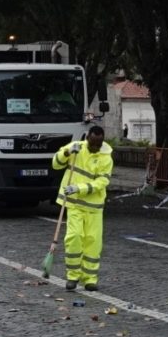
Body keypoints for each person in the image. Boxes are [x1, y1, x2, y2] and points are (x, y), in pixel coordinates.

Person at [53, 125, 115, 292]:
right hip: (74, 204)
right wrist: (66, 153)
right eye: (93, 143)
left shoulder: (106, 158)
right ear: (87, 138)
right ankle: (72, 277)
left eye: (98, 144)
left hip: (94, 207)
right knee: (74, 237)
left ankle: (90, 279)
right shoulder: (75, 148)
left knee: (93, 242)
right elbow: (55, 164)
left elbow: (102, 182)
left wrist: (78, 188)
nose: (95, 147)